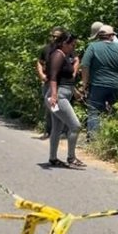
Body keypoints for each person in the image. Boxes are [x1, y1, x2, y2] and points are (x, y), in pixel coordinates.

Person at [80, 24, 118, 139]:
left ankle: (94, 140)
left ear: (99, 35)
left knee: (94, 112)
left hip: (97, 85)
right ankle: (112, 138)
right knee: (113, 111)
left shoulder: (92, 47)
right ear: (111, 36)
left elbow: (84, 66)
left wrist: (84, 84)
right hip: (115, 85)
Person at [45, 30, 84, 169]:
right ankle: (71, 158)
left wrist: (75, 91)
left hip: (64, 93)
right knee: (75, 125)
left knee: (57, 128)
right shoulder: (58, 55)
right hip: (58, 96)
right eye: (72, 45)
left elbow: (66, 78)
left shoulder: (65, 56)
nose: (73, 47)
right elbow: (53, 77)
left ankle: (53, 158)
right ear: (64, 43)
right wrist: (54, 96)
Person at [35, 26, 63, 139]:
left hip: (61, 82)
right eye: (53, 36)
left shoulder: (65, 49)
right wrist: (41, 74)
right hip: (48, 82)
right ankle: (48, 131)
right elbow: (39, 62)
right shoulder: (46, 49)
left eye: (57, 37)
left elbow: (75, 60)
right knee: (49, 106)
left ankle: (61, 132)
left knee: (61, 107)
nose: (54, 38)